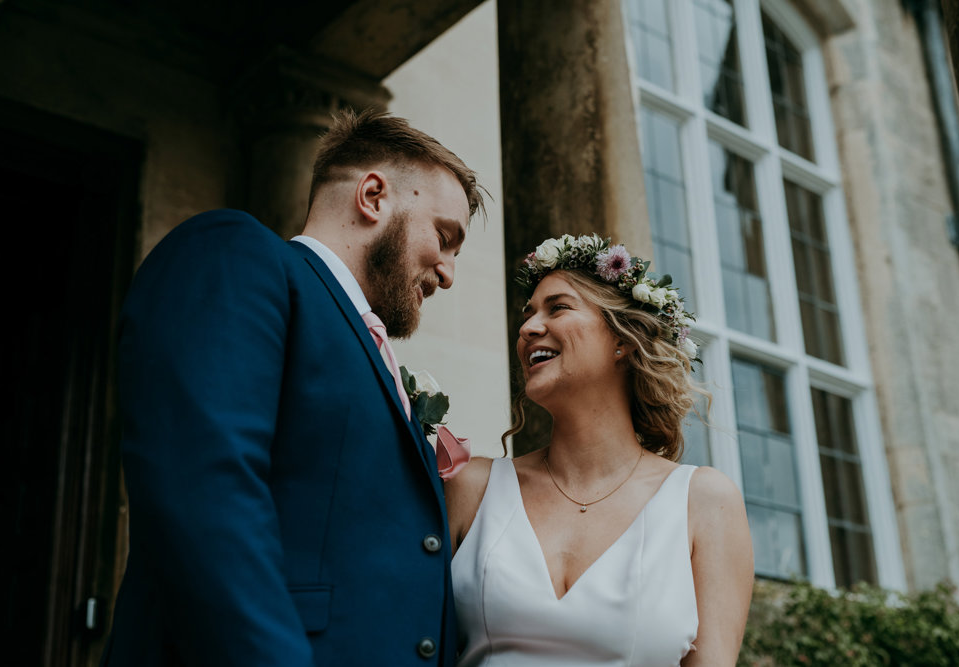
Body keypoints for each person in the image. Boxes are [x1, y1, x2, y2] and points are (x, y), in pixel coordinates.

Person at [100, 109, 483, 666]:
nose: (448, 273)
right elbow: (205, 490)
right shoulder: (237, 256)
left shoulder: (368, 347)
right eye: (445, 238)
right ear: (373, 197)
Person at [445, 234, 754, 666]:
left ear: (622, 340)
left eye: (558, 308)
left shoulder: (703, 502)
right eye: (528, 314)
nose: (527, 329)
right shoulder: (472, 487)